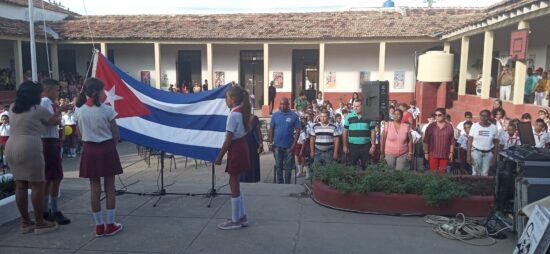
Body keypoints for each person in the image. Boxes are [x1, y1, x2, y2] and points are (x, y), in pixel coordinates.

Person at [6, 81, 59, 234]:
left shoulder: (12, 108)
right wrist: (59, 112)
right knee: (37, 185)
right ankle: (40, 222)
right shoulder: (39, 110)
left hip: (11, 145)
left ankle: (25, 222)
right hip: (30, 146)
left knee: (20, 185)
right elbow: (53, 122)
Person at [75, 78, 124, 236]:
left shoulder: (80, 110)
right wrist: (110, 147)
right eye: (103, 91)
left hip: (89, 149)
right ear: (97, 92)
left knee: (94, 188)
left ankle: (98, 226)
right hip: (107, 148)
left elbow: (78, 133)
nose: (104, 93)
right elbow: (116, 135)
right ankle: (110, 224)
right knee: (110, 188)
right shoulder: (107, 110)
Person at [215, 86, 251, 230]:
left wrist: (219, 157)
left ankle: (236, 220)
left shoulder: (233, 115)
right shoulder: (242, 111)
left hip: (236, 148)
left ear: (233, 99)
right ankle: (241, 216)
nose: (226, 100)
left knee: (233, 182)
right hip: (242, 146)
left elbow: (228, 140)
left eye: (227, 98)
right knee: (235, 181)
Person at [40, 78, 71, 225]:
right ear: (49, 90)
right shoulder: (45, 102)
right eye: (57, 90)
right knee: (55, 176)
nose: (58, 93)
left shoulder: (49, 103)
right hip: (48, 140)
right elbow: (49, 121)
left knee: (51, 176)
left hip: (50, 140)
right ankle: (53, 209)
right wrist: (60, 111)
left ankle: (47, 210)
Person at [269, 98, 300, 184]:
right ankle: (280, 184)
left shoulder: (294, 115)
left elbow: (298, 129)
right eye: (281, 104)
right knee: (279, 166)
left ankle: (287, 184)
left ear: (288, 105)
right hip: (277, 146)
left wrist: (294, 143)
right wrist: (270, 142)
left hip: (289, 146)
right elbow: (271, 128)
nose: (283, 106)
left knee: (288, 167)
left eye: (285, 104)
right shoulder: (275, 115)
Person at [343, 100, 376, 170]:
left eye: (357, 106)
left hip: (366, 146)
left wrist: (373, 146)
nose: (355, 108)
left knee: (366, 167)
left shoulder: (369, 116)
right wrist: (345, 146)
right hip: (352, 146)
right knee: (351, 167)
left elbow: (373, 131)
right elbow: (345, 132)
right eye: (354, 106)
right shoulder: (349, 116)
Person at [423, 108, 455, 175]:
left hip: (444, 154)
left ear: (444, 115)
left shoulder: (449, 127)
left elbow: (452, 141)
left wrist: (451, 152)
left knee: (442, 174)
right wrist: (426, 153)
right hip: (433, 154)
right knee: (433, 174)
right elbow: (425, 141)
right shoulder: (431, 126)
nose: (437, 117)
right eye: (436, 115)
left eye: (439, 115)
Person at [467, 110, 499, 176]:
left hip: (489, 153)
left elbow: (496, 143)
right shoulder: (475, 126)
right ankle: (475, 186)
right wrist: (468, 156)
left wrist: (495, 157)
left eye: (486, 116)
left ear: (489, 117)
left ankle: (482, 186)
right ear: (480, 116)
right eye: (482, 116)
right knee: (475, 173)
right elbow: (470, 141)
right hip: (476, 152)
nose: (484, 117)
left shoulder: (494, 127)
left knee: (485, 173)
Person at [240, 114, 262, 183]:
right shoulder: (239, 116)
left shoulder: (254, 118)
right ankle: (247, 178)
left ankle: (248, 178)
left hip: (251, 143)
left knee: (251, 161)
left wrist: (260, 143)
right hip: (243, 143)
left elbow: (258, 131)